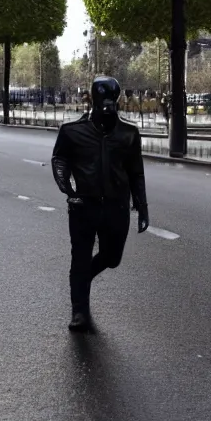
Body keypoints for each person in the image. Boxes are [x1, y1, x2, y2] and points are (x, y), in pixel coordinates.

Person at [51, 76, 149, 332]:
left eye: (111, 98)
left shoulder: (129, 134)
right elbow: (60, 160)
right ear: (93, 99)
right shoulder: (72, 131)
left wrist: (142, 205)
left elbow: (136, 172)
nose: (107, 103)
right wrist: (67, 188)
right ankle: (79, 311)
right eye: (102, 97)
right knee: (80, 257)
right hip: (84, 206)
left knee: (112, 257)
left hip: (116, 207)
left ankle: (83, 279)